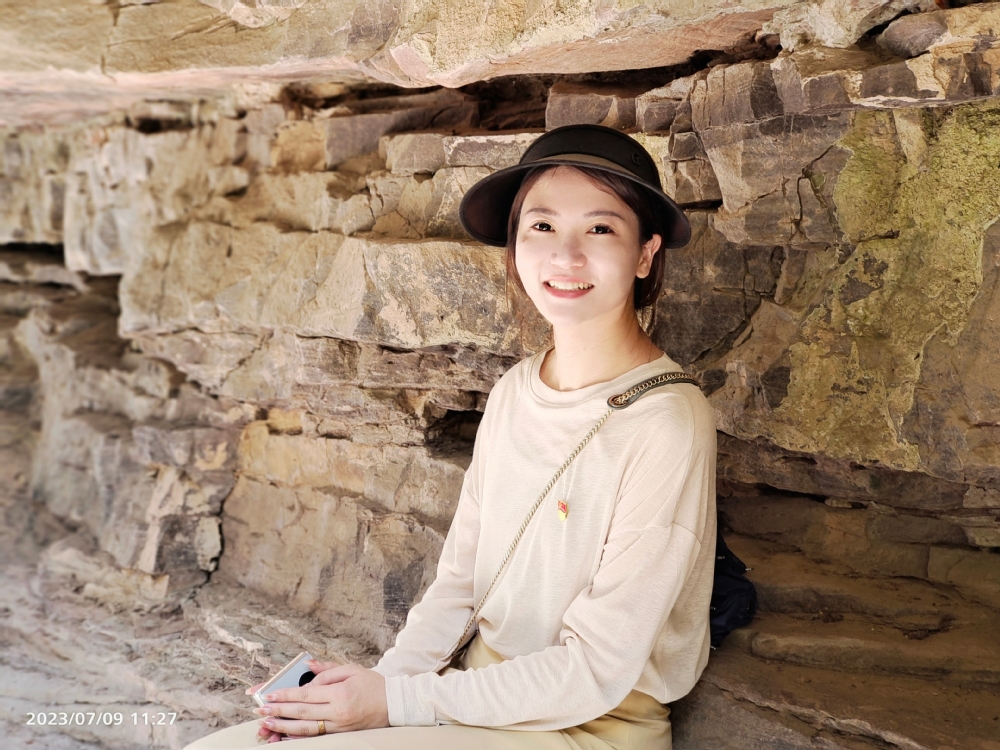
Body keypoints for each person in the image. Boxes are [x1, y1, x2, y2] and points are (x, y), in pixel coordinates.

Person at [182, 124, 717, 750]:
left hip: (586, 728)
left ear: (646, 254)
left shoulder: (666, 423)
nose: (566, 256)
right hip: (468, 700)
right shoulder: (516, 390)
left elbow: (594, 671)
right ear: (515, 245)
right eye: (542, 226)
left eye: (600, 229)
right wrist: (380, 690)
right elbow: (459, 584)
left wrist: (397, 704)